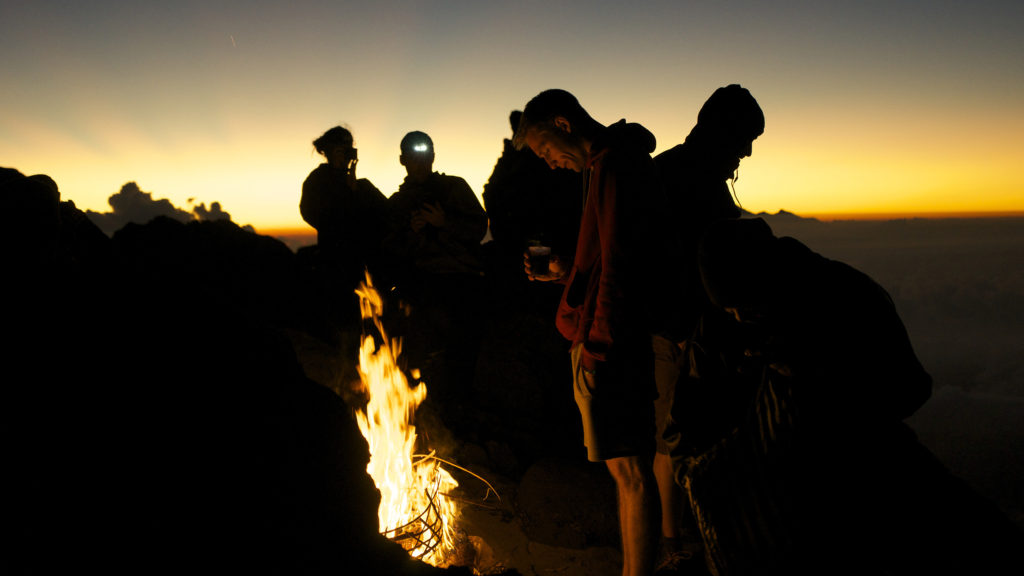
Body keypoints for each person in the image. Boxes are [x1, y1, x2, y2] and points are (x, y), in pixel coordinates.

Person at [668, 217, 1024, 574]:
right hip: (761, 482)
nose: (739, 316)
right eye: (729, 309)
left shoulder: (843, 297)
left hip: (858, 465)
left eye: (748, 305)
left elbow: (909, 389)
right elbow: (688, 422)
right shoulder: (718, 324)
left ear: (771, 274)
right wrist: (700, 474)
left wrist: (817, 375)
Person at [514, 89, 670, 576]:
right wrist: (566, 272)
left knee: (629, 470)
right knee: (624, 469)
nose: (549, 163)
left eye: (545, 150)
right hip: (601, 332)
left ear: (563, 124)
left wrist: (597, 347)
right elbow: (605, 258)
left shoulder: (615, 167)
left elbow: (623, 265)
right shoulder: (605, 168)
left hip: (611, 341)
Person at [650, 85, 764, 573]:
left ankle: (683, 533)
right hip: (679, 332)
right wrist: (680, 326)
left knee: (681, 435)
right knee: (674, 437)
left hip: (692, 329)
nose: (748, 150)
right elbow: (662, 258)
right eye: (745, 138)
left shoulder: (680, 171)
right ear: (722, 130)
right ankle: (673, 540)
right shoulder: (684, 178)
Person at [382, 131, 488, 422]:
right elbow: (392, 249)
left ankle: (458, 406)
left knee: (462, 331)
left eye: (423, 156)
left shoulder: (454, 188)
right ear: (403, 160)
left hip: (461, 274)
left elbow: (477, 228)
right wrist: (414, 234)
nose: (419, 163)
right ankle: (415, 406)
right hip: (420, 278)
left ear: (432, 157)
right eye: (412, 157)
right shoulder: (397, 204)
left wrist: (444, 223)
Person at [300, 126, 388, 326]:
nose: (345, 156)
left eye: (348, 150)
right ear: (328, 152)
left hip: (370, 265)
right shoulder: (316, 182)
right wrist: (348, 194)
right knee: (345, 321)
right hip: (337, 264)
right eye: (340, 151)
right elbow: (315, 215)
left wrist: (355, 189)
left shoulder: (362, 186)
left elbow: (387, 214)